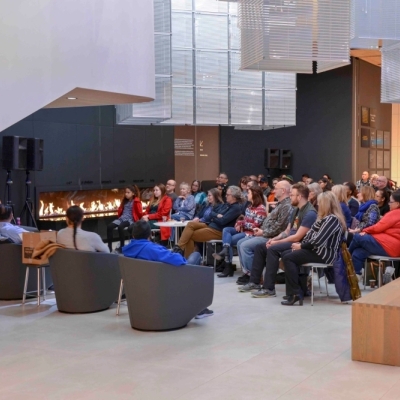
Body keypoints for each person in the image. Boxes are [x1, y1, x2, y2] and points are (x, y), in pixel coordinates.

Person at [123, 220, 213, 319]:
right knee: (195, 256)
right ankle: (198, 308)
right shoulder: (152, 249)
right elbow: (180, 261)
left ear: (133, 235)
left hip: (142, 287)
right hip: (163, 283)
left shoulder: (127, 250)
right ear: (149, 235)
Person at [242, 183, 317, 297]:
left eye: (292, 195)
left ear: (299, 197)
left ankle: (269, 289)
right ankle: (254, 282)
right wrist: (273, 239)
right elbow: (287, 231)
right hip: (290, 240)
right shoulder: (296, 210)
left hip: (299, 244)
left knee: (272, 249)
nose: (290, 197)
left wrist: (276, 243)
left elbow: (297, 237)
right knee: (261, 247)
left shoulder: (310, 213)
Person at [281, 191, 346, 306]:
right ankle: (299, 290)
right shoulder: (324, 218)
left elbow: (318, 240)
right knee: (286, 254)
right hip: (316, 250)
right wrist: (300, 246)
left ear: (326, 204)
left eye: (320, 203)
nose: (318, 205)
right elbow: (311, 236)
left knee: (289, 258)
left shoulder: (332, 219)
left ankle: (295, 293)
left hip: (324, 253)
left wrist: (300, 246)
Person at [236, 180, 292, 285]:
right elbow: (269, 221)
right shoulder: (280, 204)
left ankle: (253, 275)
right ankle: (248, 273)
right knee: (240, 243)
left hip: (273, 236)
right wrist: (261, 230)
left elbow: (280, 227)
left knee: (245, 246)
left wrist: (263, 232)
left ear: (283, 190)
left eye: (276, 189)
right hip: (266, 233)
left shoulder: (286, 206)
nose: (274, 191)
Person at [173, 186, 243, 258]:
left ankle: (187, 259)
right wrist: (215, 215)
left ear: (234, 197)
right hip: (211, 225)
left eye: (228, 195)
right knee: (190, 224)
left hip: (218, 231)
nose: (226, 196)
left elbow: (222, 221)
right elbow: (211, 214)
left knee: (190, 236)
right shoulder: (227, 205)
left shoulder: (235, 208)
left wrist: (214, 216)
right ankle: (179, 247)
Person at [213, 186, 267, 278]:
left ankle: (228, 264)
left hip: (250, 233)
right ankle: (226, 254)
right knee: (226, 230)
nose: (247, 195)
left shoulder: (261, 209)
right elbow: (244, 220)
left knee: (229, 241)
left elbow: (255, 226)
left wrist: (243, 224)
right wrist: (240, 223)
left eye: (249, 193)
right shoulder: (249, 207)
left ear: (254, 195)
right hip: (243, 230)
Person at [349, 190, 400, 277]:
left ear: (398, 204)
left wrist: (364, 231)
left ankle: (346, 259)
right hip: (391, 246)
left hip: (389, 246)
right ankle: (355, 277)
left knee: (358, 237)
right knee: (358, 253)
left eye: (391, 202)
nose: (388, 204)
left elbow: (378, 227)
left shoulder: (395, 213)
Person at [106, 185, 143, 252]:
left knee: (121, 227)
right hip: (122, 218)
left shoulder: (136, 201)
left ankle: (122, 246)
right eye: (125, 192)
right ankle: (109, 247)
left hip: (130, 219)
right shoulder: (124, 201)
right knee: (109, 226)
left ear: (133, 193)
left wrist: (138, 220)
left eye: (128, 192)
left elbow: (139, 212)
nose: (126, 194)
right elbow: (121, 210)